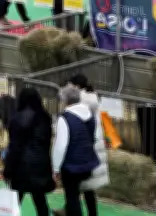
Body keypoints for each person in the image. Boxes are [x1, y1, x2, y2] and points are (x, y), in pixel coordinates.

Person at [58, 75, 108, 216]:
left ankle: (73, 210)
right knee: (87, 186)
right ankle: (85, 212)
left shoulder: (79, 103)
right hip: (92, 146)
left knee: (78, 187)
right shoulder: (93, 99)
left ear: (77, 87)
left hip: (84, 147)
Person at [2, 87, 55, 216]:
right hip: (40, 164)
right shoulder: (45, 118)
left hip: (20, 166)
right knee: (40, 201)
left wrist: (8, 170)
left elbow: (14, 147)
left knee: (13, 203)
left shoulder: (16, 119)